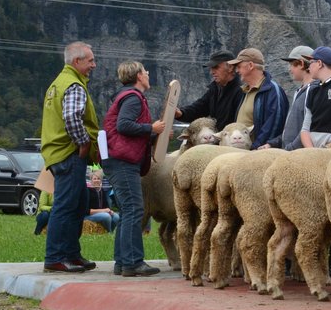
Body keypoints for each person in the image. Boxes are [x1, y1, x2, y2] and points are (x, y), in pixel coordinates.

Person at [40, 41, 100, 274]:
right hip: (69, 153)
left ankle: (71, 254)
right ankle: (55, 257)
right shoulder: (74, 85)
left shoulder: (58, 83)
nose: (94, 65)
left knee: (78, 204)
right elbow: (72, 117)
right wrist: (84, 143)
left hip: (59, 152)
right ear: (77, 61)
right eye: (90, 60)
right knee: (66, 206)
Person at [101, 60, 165, 276]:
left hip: (117, 160)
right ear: (138, 76)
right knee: (134, 209)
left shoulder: (126, 96)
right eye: (145, 72)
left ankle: (122, 261)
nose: (148, 74)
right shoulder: (133, 98)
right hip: (123, 161)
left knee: (128, 210)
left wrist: (154, 133)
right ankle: (133, 262)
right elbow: (124, 125)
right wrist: (151, 127)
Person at [228, 48, 287, 150]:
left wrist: (255, 148)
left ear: (250, 66)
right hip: (243, 152)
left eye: (239, 66)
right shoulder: (245, 91)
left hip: (258, 154)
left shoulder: (273, 91)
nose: (237, 71)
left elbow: (273, 127)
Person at [175, 50, 242, 130]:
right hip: (218, 138)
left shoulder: (241, 91)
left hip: (233, 139)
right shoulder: (215, 89)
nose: (212, 72)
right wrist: (181, 113)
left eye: (216, 67)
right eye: (211, 68)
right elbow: (199, 108)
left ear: (230, 67)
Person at [279, 46, 317, 150]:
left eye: (292, 65)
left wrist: (290, 148)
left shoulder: (313, 91)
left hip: (298, 154)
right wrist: (272, 142)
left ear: (301, 63)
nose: (290, 69)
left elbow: (308, 128)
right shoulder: (300, 91)